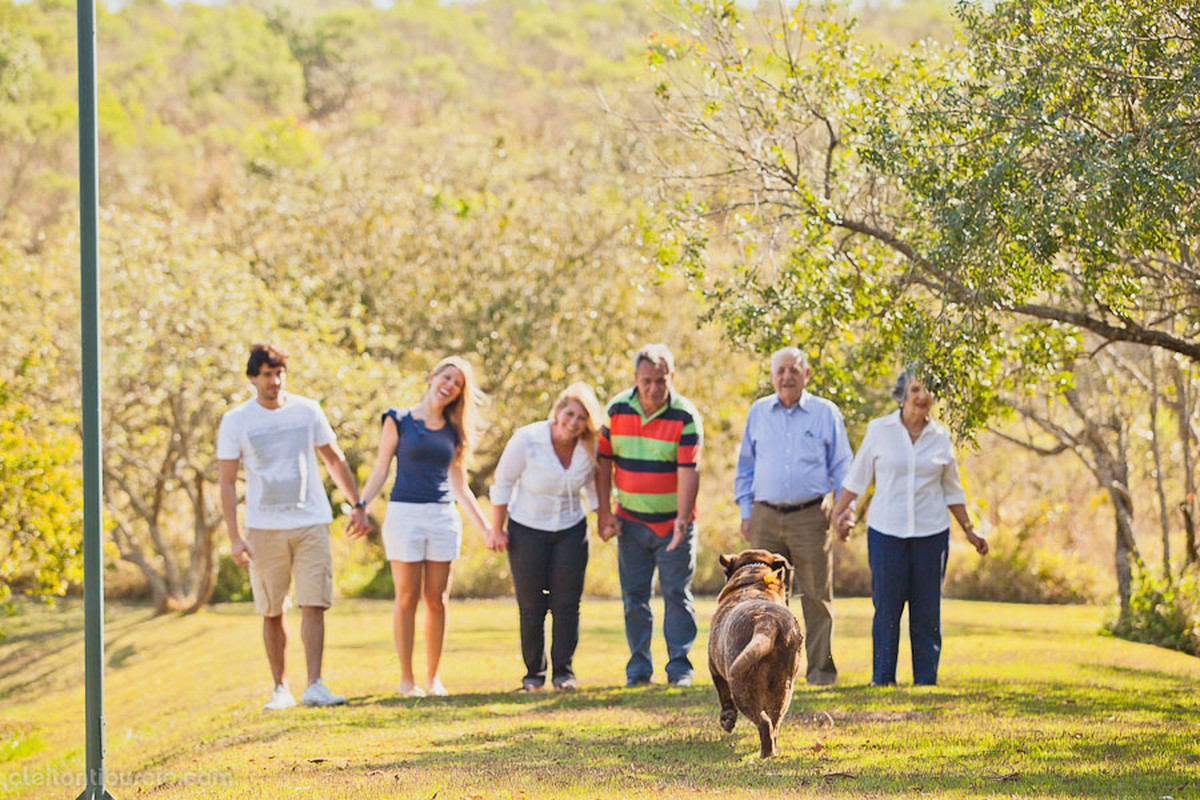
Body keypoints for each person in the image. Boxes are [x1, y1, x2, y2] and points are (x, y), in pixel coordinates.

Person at [218, 342, 368, 711]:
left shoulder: (307, 410)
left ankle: (315, 685)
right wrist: (234, 537)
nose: (275, 381)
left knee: (313, 602)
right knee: (272, 608)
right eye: (267, 374)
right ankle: (280, 688)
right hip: (263, 527)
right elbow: (225, 481)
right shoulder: (236, 420)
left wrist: (358, 505)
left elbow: (334, 459)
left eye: (279, 373)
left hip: (311, 521)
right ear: (253, 378)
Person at [830, 370, 989, 686]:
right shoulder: (880, 430)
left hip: (931, 534)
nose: (922, 396)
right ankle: (882, 678)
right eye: (915, 389)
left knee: (927, 609)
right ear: (902, 396)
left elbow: (953, 490)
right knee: (887, 607)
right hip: (886, 532)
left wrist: (969, 530)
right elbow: (857, 478)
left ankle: (925, 680)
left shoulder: (941, 437)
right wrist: (839, 514)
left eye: (927, 390)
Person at [359, 356, 492, 697]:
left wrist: (487, 528)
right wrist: (360, 505)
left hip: (442, 516)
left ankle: (433, 679)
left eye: (458, 384)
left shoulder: (453, 430)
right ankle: (407, 680)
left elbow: (461, 488)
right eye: (446, 377)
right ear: (432, 377)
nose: (449, 385)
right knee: (406, 597)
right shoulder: (398, 419)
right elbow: (380, 470)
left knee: (437, 599)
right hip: (405, 514)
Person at [733, 346, 853, 686]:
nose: (787, 377)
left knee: (816, 597)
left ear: (806, 374)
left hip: (811, 517)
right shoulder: (758, 412)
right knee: (763, 599)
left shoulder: (825, 413)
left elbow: (843, 465)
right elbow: (745, 467)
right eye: (780, 371)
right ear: (772, 376)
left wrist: (845, 512)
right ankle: (768, 674)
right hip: (765, 517)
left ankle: (820, 675)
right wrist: (746, 512)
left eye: (793, 370)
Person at [596, 344, 703, 688]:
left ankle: (679, 669)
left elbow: (689, 471)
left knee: (676, 594)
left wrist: (681, 522)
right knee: (634, 599)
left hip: (674, 522)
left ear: (672, 377)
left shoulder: (685, 416)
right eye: (647, 381)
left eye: (661, 380)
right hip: (630, 521)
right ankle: (639, 671)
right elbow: (603, 464)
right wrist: (603, 513)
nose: (654, 388)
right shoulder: (615, 411)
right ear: (635, 379)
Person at [488, 383, 604, 691]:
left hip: (570, 530)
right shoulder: (527, 439)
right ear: (557, 412)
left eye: (582, 417)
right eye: (570, 413)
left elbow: (593, 489)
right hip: (527, 530)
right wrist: (496, 529)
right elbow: (502, 484)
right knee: (531, 605)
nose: (574, 422)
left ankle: (564, 673)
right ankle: (533, 675)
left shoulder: (589, 446)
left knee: (567, 604)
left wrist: (604, 518)